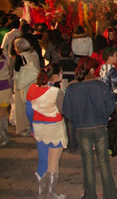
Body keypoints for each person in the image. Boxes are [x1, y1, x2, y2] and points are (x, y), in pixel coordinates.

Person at [63, 57, 117, 199]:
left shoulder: (72, 88)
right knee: (103, 161)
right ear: (93, 70)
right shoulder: (100, 86)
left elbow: (67, 111)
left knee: (87, 162)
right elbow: (111, 105)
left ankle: (90, 195)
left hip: (82, 129)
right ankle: (110, 194)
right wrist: (103, 115)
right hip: (100, 126)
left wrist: (78, 119)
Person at [26, 64, 67, 198]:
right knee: (53, 162)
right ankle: (50, 193)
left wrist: (32, 126)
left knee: (43, 160)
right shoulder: (55, 92)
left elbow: (29, 111)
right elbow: (63, 111)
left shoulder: (32, 88)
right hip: (54, 128)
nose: (62, 75)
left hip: (39, 128)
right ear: (55, 76)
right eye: (61, 73)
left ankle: (42, 192)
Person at [14, 37, 41, 135]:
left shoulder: (20, 57)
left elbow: (16, 72)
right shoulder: (34, 53)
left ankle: (31, 127)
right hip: (36, 82)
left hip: (26, 84)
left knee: (27, 107)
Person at [0, 48, 12, 146]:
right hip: (6, 90)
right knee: (3, 114)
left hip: (2, 92)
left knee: (2, 115)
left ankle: (3, 137)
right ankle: (4, 136)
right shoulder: (5, 58)